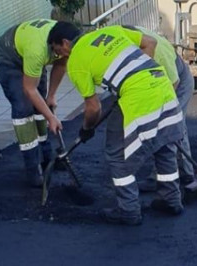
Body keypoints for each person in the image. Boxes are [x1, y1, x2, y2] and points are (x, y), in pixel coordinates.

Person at [48, 22, 185, 226]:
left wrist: (86, 129)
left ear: (65, 43)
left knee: (116, 153)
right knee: (164, 143)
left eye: (57, 50)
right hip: (160, 83)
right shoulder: (109, 31)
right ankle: (172, 199)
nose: (59, 56)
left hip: (139, 97)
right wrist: (137, 73)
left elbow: (93, 108)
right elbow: (150, 42)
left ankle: (128, 210)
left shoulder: (76, 61)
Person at [0, 19, 64, 186]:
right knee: (23, 109)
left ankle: (47, 156)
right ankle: (32, 167)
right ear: (60, 44)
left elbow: (61, 64)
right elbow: (29, 90)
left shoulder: (65, 40)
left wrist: (51, 96)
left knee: (41, 107)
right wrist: (52, 118)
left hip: (29, 53)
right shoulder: (37, 51)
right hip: (9, 59)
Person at [122, 25, 196, 185]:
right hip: (154, 82)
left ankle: (186, 173)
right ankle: (166, 171)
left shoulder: (159, 54)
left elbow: (173, 83)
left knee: (173, 126)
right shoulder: (126, 41)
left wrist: (160, 113)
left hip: (179, 82)